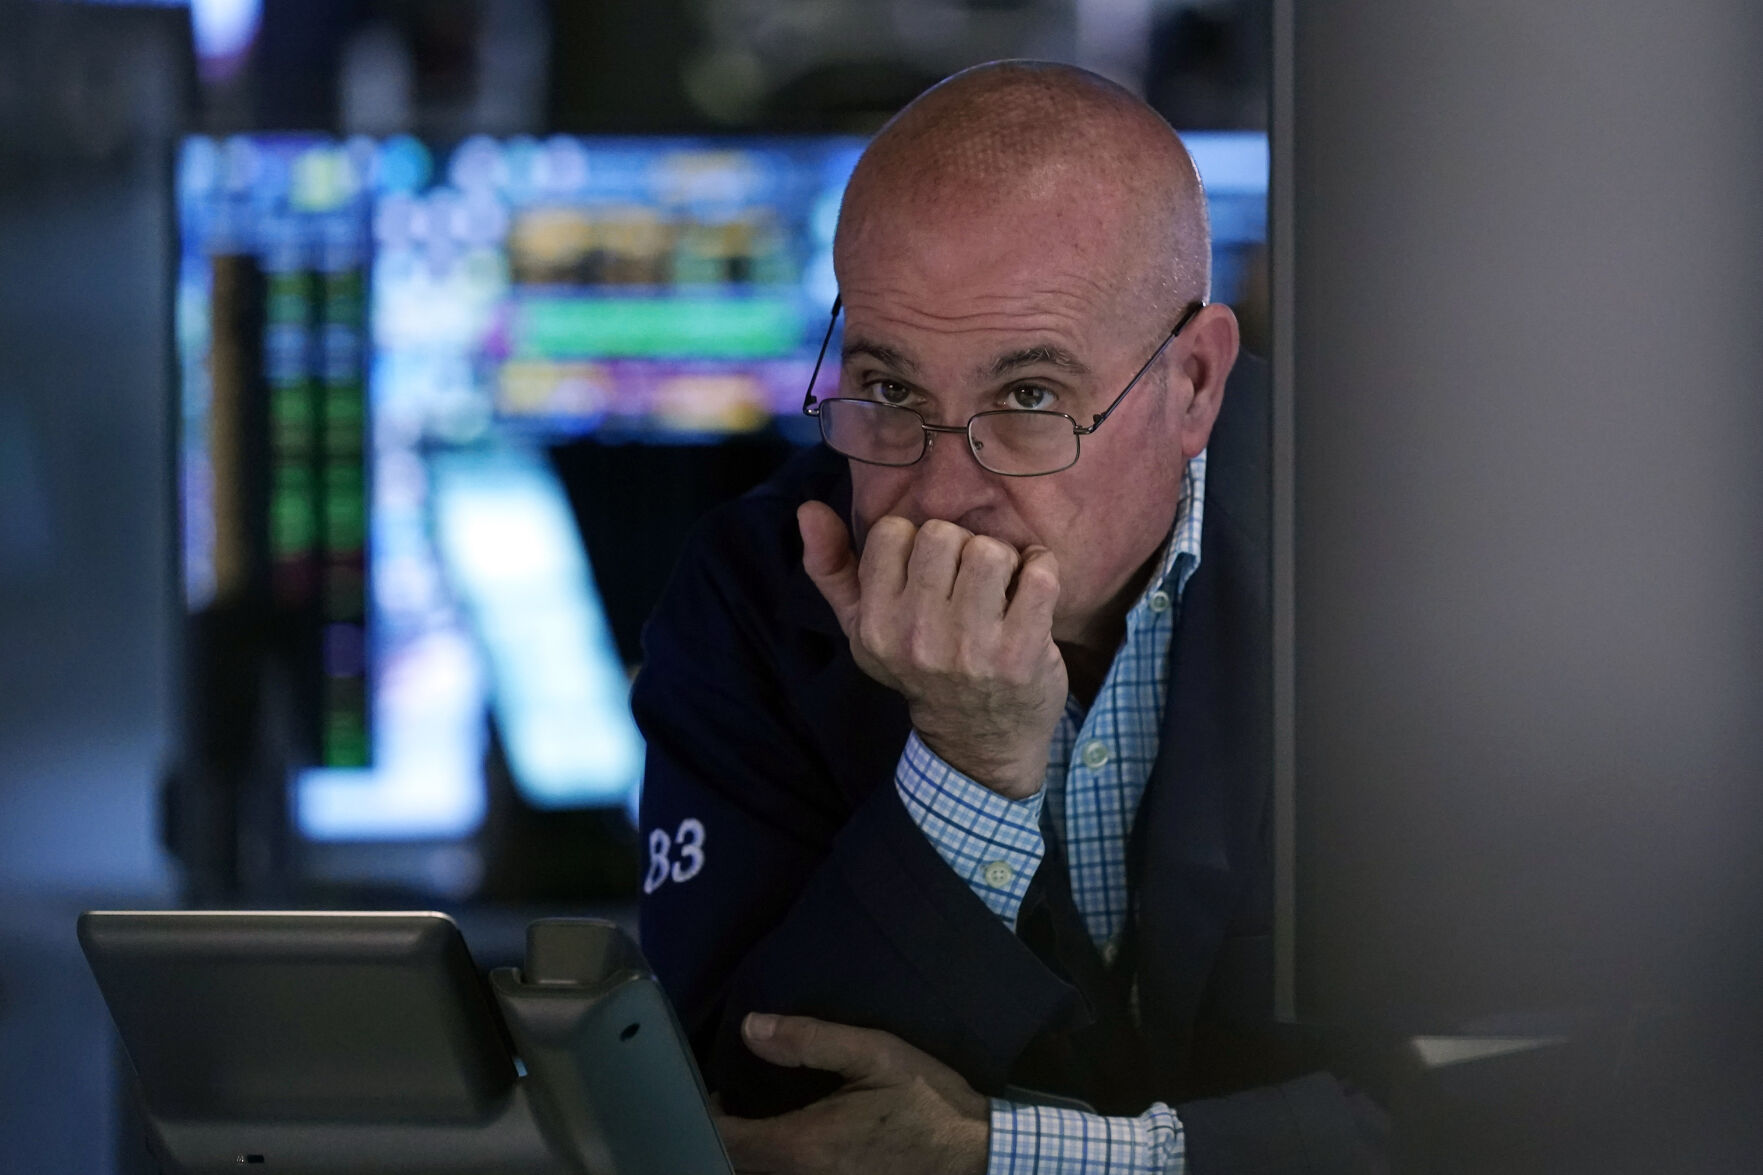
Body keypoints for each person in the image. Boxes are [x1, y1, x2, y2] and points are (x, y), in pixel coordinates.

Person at [632, 60, 1381, 1174]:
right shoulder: (755, 587)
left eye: (1028, 398)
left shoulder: (1405, 559)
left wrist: (1011, 1152)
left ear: (1192, 383)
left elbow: (1527, 1091)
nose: (937, 496)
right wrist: (965, 764)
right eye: (888, 390)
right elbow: (759, 1125)